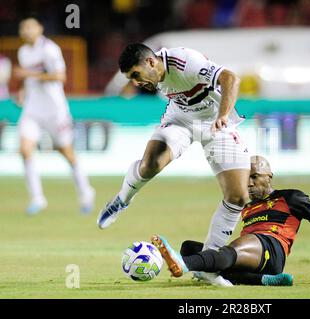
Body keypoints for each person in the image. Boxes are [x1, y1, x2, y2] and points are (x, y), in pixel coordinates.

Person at [97, 43, 251, 285]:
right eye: (130, 79)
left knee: (238, 197)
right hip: (180, 119)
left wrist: (223, 115)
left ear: (150, 62)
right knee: (151, 163)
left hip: (216, 122)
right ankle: (121, 200)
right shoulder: (153, 75)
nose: (136, 82)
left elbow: (231, 78)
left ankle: (208, 266)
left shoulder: (185, 62)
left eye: (135, 75)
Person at [150, 155, 310, 286]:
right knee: (191, 246)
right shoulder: (245, 203)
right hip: (253, 256)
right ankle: (262, 281)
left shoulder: (292, 197)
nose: (250, 182)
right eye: (247, 177)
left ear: (269, 176)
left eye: (255, 176)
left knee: (226, 252)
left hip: (272, 248)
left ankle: (185, 265)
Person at [14, 17, 95, 215]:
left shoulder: (50, 49)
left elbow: (60, 76)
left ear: (40, 28)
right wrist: (22, 91)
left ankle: (86, 191)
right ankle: (37, 198)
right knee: (25, 150)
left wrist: (29, 75)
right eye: (23, 27)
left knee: (66, 152)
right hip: (32, 109)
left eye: (30, 27)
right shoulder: (23, 51)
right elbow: (27, 78)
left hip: (54, 110)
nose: (26, 31)